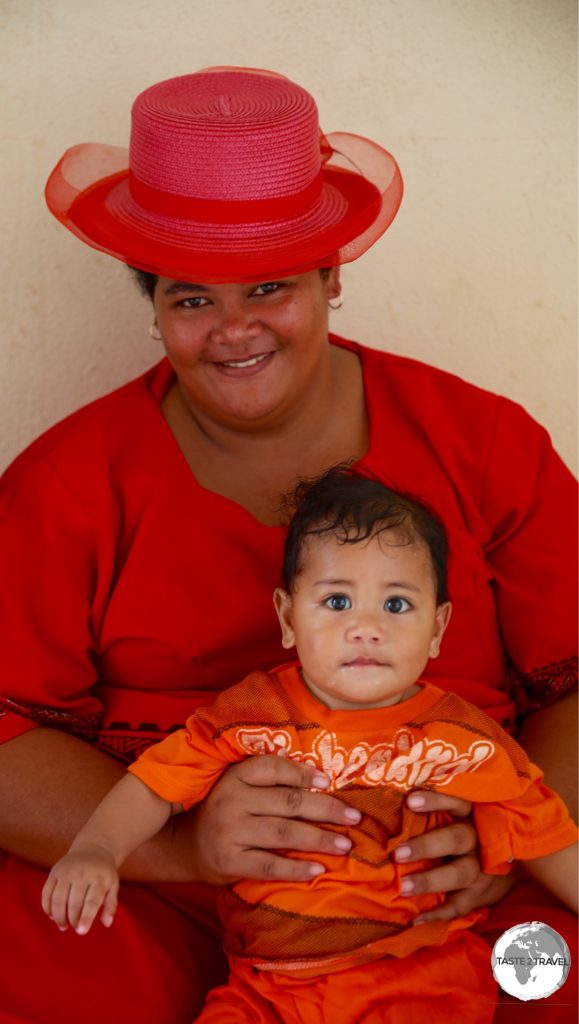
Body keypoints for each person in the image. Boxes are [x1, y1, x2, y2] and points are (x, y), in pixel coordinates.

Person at [0, 66, 576, 1024]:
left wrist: (507, 833)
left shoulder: (481, 442)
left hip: (458, 894)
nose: (234, 332)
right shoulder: (66, 483)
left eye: (269, 287)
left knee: (547, 976)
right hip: (167, 889)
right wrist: (183, 848)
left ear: (332, 276)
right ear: (150, 300)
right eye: (191, 299)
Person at [41, 470, 578, 1024]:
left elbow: (550, 836)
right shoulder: (252, 713)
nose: (366, 628)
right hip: (263, 989)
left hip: (414, 976)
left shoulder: (461, 738)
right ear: (287, 617)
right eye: (337, 600)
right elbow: (157, 784)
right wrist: (98, 848)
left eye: (396, 606)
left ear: (438, 627)